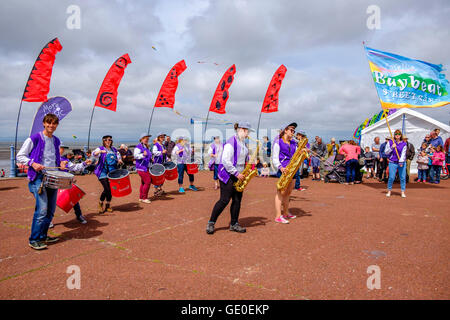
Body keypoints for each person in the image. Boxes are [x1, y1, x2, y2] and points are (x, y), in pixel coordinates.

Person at [16, 114, 62, 250]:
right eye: (49, 123)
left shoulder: (56, 140)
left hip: (53, 178)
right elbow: (20, 155)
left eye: (54, 124)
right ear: (44, 123)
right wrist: (32, 163)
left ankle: (43, 236)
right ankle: (34, 239)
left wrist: (62, 164)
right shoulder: (34, 138)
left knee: (50, 211)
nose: (51, 126)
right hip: (38, 178)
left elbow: (56, 159)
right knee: (42, 210)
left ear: (56, 125)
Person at [206, 122, 252, 234]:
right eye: (247, 131)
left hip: (239, 174)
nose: (248, 134)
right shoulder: (231, 142)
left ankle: (234, 223)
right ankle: (211, 222)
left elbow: (244, 157)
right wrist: (236, 173)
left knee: (237, 201)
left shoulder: (243, 143)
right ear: (242, 130)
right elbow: (225, 160)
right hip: (228, 174)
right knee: (224, 200)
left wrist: (249, 165)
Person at [272, 122, 305, 224]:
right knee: (281, 192)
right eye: (291, 130)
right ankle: (278, 216)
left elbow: (296, 155)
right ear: (285, 130)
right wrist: (280, 167)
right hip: (284, 169)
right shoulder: (278, 142)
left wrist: (302, 151)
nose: (293, 132)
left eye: (294, 131)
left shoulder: (294, 143)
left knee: (289, 192)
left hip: (293, 169)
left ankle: (286, 212)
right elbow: (274, 158)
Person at [59, 144, 91, 224]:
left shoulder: (64, 159)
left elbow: (74, 167)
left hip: (65, 181)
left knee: (73, 198)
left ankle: (79, 215)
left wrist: (84, 163)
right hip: (53, 182)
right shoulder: (49, 158)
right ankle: (48, 220)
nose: (62, 150)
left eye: (63, 148)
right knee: (49, 202)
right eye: (60, 148)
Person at [93, 135, 123, 213]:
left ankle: (107, 205)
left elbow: (118, 156)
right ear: (103, 141)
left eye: (109, 140)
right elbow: (94, 154)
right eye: (106, 140)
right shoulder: (100, 148)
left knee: (111, 189)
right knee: (107, 188)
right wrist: (100, 152)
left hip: (112, 172)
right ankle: (100, 203)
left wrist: (119, 160)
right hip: (102, 171)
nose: (108, 141)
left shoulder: (114, 149)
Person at [385, 130, 407, 198]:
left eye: (399, 134)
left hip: (401, 162)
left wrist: (401, 161)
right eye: (396, 134)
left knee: (402, 177)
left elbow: (403, 154)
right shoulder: (390, 142)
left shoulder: (404, 143)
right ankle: (389, 190)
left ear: (401, 135)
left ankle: (403, 191)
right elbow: (386, 152)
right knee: (391, 177)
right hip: (392, 162)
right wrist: (392, 147)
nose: (397, 135)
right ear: (394, 135)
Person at [134, 133, 152, 204]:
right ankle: (144, 198)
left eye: (148, 138)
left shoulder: (146, 147)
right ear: (141, 139)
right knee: (148, 181)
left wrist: (151, 159)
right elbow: (135, 156)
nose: (147, 139)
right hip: (141, 167)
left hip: (145, 167)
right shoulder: (138, 147)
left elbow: (148, 156)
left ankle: (141, 197)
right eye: (145, 138)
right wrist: (142, 155)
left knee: (143, 182)